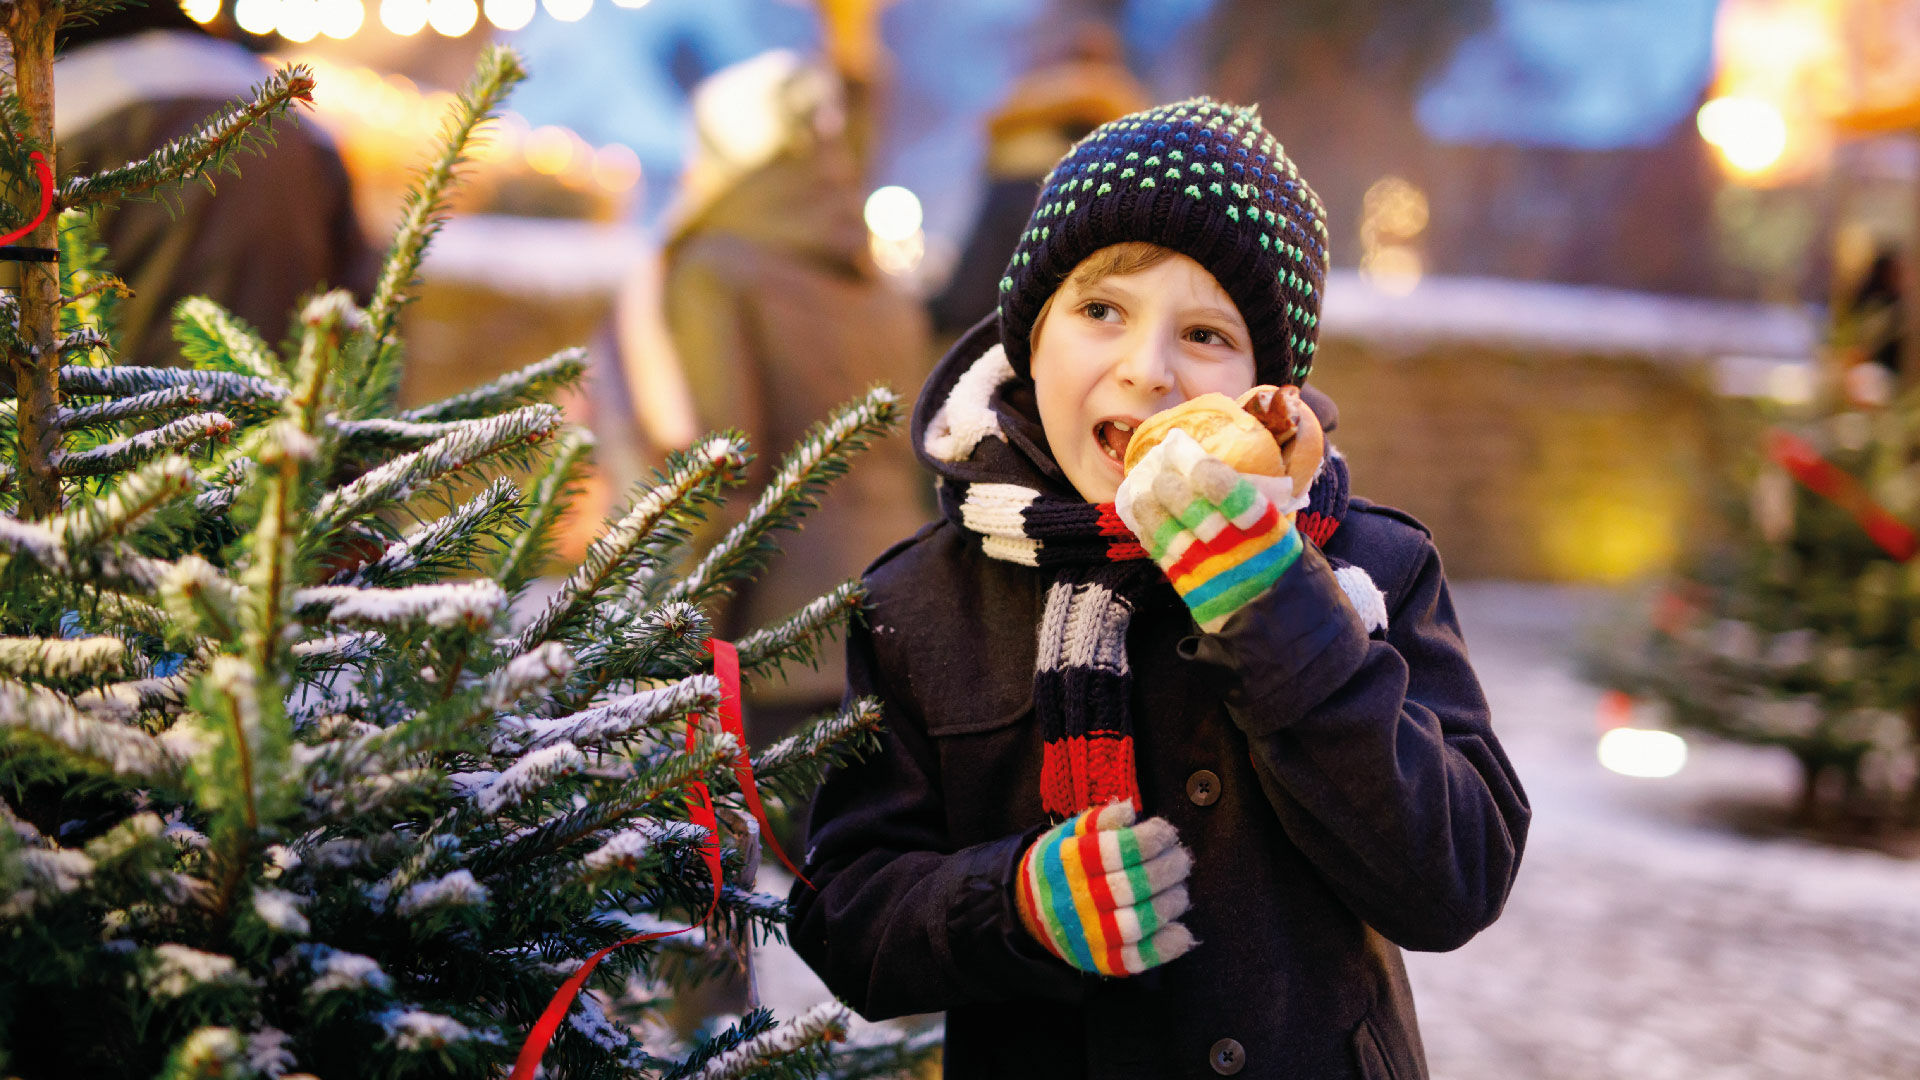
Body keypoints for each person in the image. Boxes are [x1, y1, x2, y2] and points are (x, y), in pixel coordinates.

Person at [787, 99, 1529, 1079]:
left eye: (1208, 334)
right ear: (1029, 340)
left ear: (1267, 386)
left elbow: (1456, 877)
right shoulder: (922, 604)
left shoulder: (1366, 568)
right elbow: (845, 916)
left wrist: (1278, 604)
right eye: (1102, 311)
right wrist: (1012, 903)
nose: (1149, 370)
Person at [55, 7, 373, 367]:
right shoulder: (303, 130)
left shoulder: (57, 121)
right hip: (285, 412)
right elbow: (365, 316)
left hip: (96, 412)